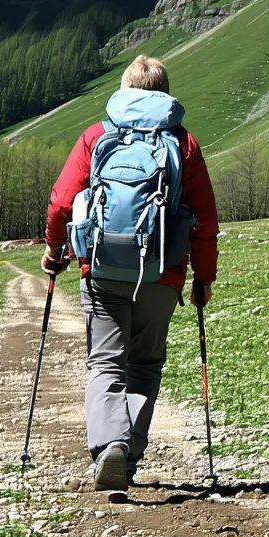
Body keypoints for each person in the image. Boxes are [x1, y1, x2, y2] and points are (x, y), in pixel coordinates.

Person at [42, 56, 219, 491]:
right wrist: (203, 279)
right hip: (163, 272)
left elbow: (63, 202)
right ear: (165, 91)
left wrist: (54, 251)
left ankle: (110, 448)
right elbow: (205, 221)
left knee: (105, 362)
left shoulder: (96, 136)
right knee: (144, 364)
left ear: (124, 89)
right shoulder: (185, 144)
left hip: (101, 269)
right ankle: (129, 451)